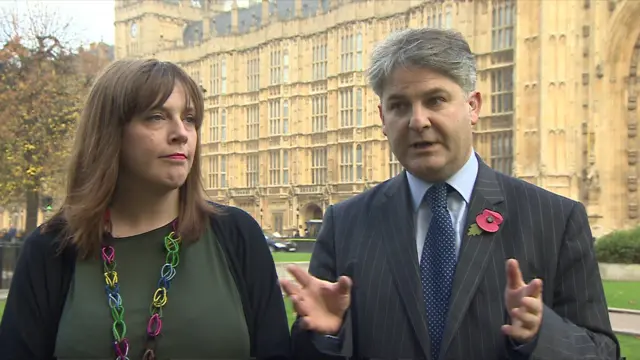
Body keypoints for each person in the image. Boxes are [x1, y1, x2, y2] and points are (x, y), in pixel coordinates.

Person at [281, 28, 620, 360]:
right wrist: (329, 334)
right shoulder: (345, 222)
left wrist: (540, 335)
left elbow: (602, 350)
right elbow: (308, 348)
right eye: (399, 106)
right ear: (383, 118)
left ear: (473, 106)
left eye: (435, 100)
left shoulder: (555, 219)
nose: (418, 121)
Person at [0, 59, 291, 360]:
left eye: (190, 118)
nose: (181, 132)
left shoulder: (236, 234)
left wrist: (323, 338)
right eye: (156, 117)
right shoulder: (52, 248)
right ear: (110, 133)